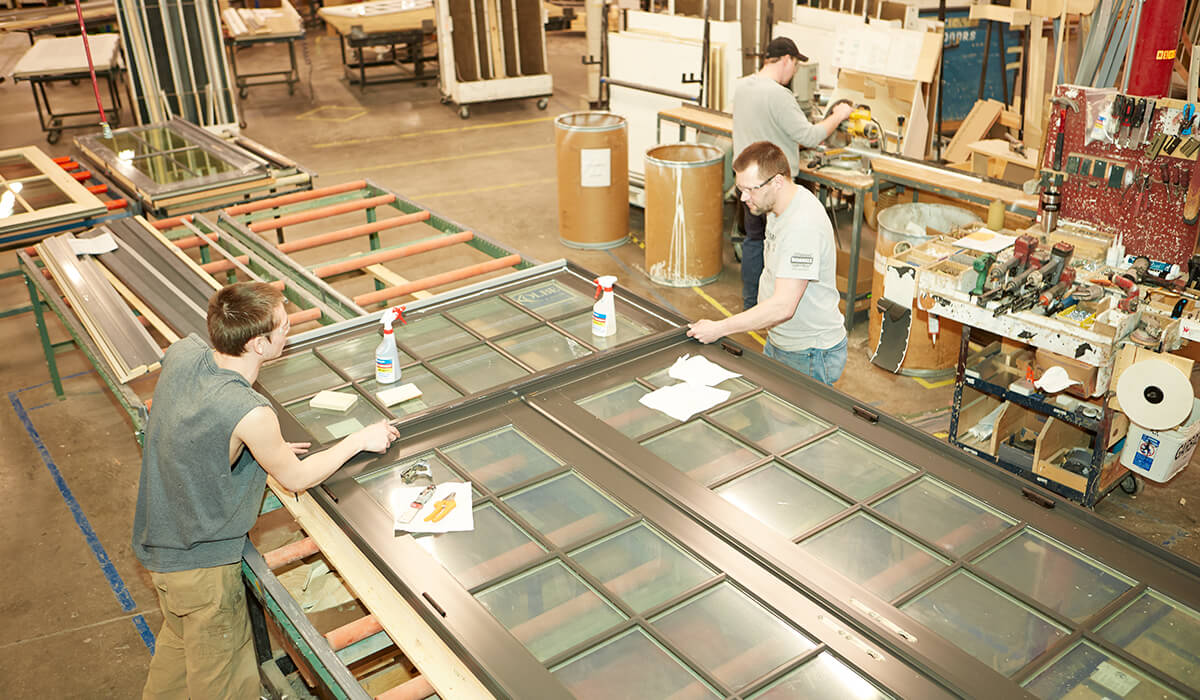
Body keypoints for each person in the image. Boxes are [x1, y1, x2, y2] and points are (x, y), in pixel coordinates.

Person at [133, 282, 399, 699]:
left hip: (162, 547)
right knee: (223, 683)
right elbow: (296, 478)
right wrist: (359, 440)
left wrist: (262, 446)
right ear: (259, 344)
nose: (289, 330)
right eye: (283, 326)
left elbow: (196, 423)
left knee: (178, 658)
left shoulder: (184, 354)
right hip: (202, 569)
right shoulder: (250, 411)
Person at [688, 141, 848, 385]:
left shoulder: (802, 226)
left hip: (809, 353)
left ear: (777, 182)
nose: (744, 197)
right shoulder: (777, 205)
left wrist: (719, 328)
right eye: (740, 189)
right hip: (781, 340)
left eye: (750, 190)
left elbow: (783, 306)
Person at [732, 36, 852, 310]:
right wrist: (839, 115)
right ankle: (776, 306)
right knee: (778, 247)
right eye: (796, 65)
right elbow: (810, 136)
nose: (795, 72)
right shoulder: (779, 95)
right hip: (771, 189)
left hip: (748, 186)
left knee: (754, 241)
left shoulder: (742, 86)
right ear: (786, 59)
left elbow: (764, 125)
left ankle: (752, 304)